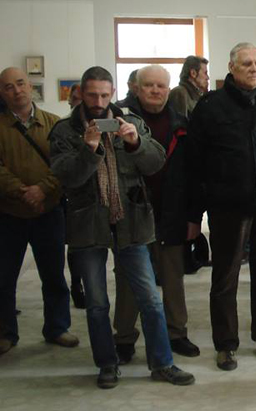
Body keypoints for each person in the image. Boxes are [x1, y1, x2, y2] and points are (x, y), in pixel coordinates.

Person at [49, 66, 194, 388]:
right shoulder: (65, 131)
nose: (99, 102)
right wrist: (88, 149)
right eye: (92, 95)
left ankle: (163, 363)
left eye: (104, 95)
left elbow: (155, 163)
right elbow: (66, 176)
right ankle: (107, 364)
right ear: (81, 94)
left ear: (113, 92)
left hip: (132, 223)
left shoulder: (131, 122)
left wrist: (135, 142)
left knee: (151, 299)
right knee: (97, 303)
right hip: (88, 226)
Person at [187, 43, 256, 371]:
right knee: (225, 277)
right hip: (228, 206)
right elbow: (194, 162)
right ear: (231, 68)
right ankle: (226, 344)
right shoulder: (211, 106)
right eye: (246, 63)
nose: (254, 68)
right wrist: (194, 212)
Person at [112, 65, 200, 363]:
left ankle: (177, 333)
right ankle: (124, 337)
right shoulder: (120, 120)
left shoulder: (181, 123)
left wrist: (193, 217)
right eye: (148, 85)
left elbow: (193, 174)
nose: (155, 90)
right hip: (131, 214)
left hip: (171, 213)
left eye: (161, 86)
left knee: (173, 278)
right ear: (136, 88)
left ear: (168, 88)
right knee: (129, 280)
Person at [0, 67, 79, 356]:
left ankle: (57, 327)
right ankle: (5, 333)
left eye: (20, 83)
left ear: (30, 86)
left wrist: (43, 189)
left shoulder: (53, 123)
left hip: (48, 212)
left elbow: (65, 164)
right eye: (8, 87)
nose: (16, 90)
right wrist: (23, 191)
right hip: (9, 213)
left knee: (54, 275)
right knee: (4, 277)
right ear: (2, 93)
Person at [66, 83, 86, 309]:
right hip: (71, 197)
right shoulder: (63, 127)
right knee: (75, 245)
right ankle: (76, 284)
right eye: (77, 99)